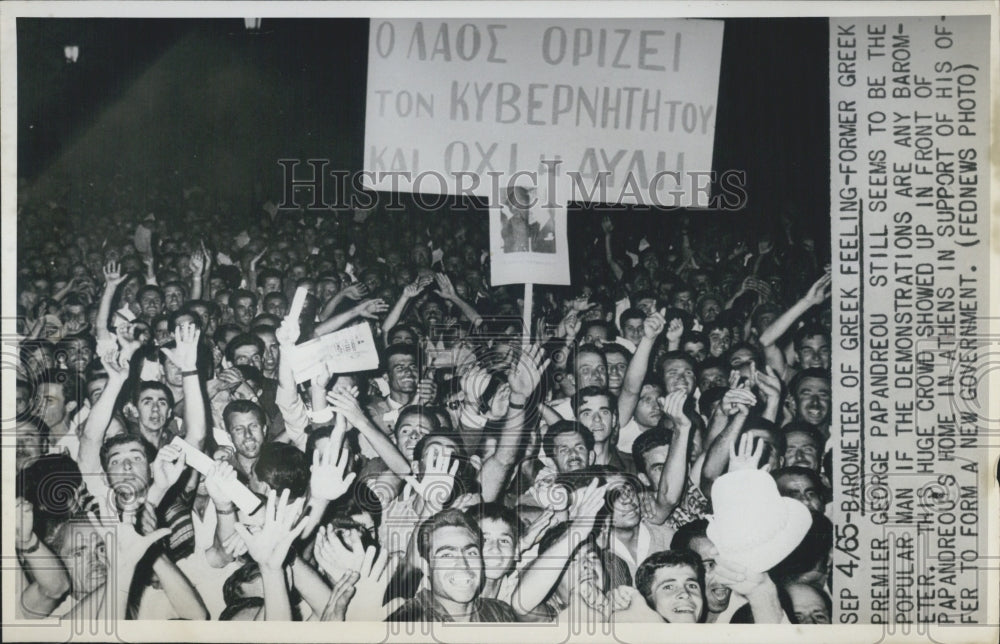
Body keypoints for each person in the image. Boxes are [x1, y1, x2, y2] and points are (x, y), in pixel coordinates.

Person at [385, 509, 518, 622]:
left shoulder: (500, 613)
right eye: (447, 555)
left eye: (471, 553)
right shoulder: (405, 619)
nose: (463, 565)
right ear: (426, 567)